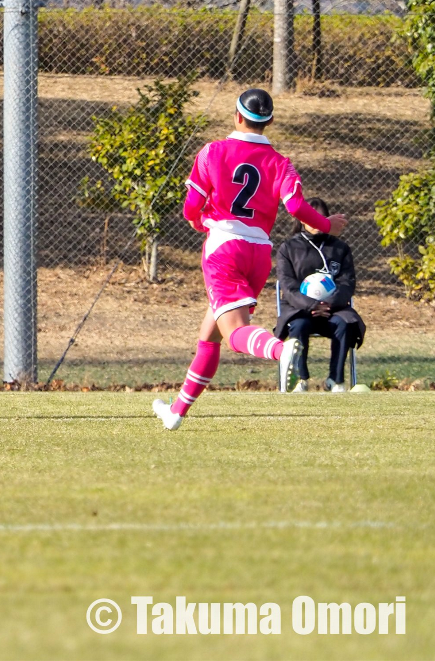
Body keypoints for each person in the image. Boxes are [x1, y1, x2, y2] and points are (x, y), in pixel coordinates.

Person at [153, 88, 347, 430]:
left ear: (236, 116)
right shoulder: (280, 162)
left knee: (234, 333)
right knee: (210, 334)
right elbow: (297, 208)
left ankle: (279, 350)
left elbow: (189, 210)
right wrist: (328, 224)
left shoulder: (213, 151)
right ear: (269, 121)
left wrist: (199, 220)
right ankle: (176, 412)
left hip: (225, 247)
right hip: (258, 251)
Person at [274, 198, 365, 393]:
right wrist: (311, 305)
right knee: (298, 326)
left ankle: (336, 380)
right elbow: (288, 287)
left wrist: (328, 304)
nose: (317, 222)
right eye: (312, 217)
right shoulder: (288, 248)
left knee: (345, 323)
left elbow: (347, 283)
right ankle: (300, 379)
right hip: (300, 310)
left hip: (334, 310)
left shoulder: (340, 249)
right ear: (301, 219)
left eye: (322, 218)